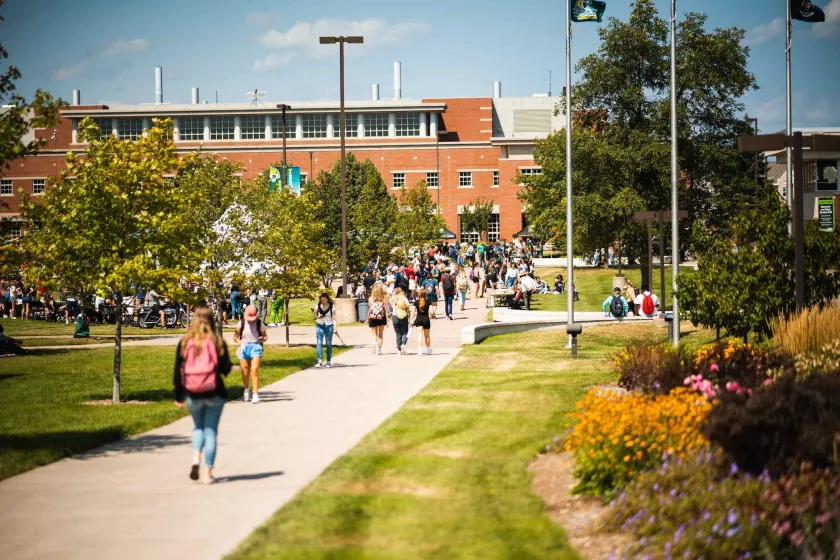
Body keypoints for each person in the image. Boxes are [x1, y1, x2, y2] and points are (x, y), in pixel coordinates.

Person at [173, 304, 232, 484]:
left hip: (192, 392)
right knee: (211, 431)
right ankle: (208, 473)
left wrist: (178, 395)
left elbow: (177, 371)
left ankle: (195, 458)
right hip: (214, 391)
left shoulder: (184, 343)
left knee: (198, 428)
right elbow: (225, 369)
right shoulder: (217, 341)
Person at [234, 304, 267, 404]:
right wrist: (241, 343)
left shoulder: (259, 323)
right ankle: (246, 389)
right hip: (244, 347)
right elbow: (235, 338)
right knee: (245, 371)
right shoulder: (241, 323)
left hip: (256, 347)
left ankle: (255, 394)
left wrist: (262, 339)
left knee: (254, 370)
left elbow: (265, 337)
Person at [313, 292, 336, 367]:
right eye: (321, 300)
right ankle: (319, 361)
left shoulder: (332, 306)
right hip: (319, 325)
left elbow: (334, 318)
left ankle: (328, 361)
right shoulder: (317, 306)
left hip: (329, 325)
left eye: (324, 300)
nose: (323, 301)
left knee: (328, 343)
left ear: (327, 299)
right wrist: (318, 317)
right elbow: (314, 317)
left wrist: (335, 327)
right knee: (319, 342)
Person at [366, 284, 388, 355]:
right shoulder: (383, 298)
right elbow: (385, 310)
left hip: (373, 317)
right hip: (382, 317)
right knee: (380, 334)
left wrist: (367, 318)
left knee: (374, 333)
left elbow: (369, 309)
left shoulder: (370, 298)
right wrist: (387, 319)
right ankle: (379, 350)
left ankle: (374, 343)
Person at [389, 287, 411, 355]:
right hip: (403, 315)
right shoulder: (404, 298)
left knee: (398, 334)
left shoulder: (392, 299)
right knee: (404, 332)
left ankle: (398, 350)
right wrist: (409, 318)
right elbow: (408, 308)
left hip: (395, 316)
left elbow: (390, 308)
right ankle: (403, 344)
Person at [414, 287, 433, 355]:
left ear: (419, 294)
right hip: (426, 319)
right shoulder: (428, 302)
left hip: (418, 319)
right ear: (425, 294)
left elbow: (413, 312)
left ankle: (420, 350)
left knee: (419, 335)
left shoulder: (416, 302)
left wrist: (411, 320)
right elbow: (431, 311)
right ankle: (428, 349)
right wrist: (433, 314)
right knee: (427, 336)